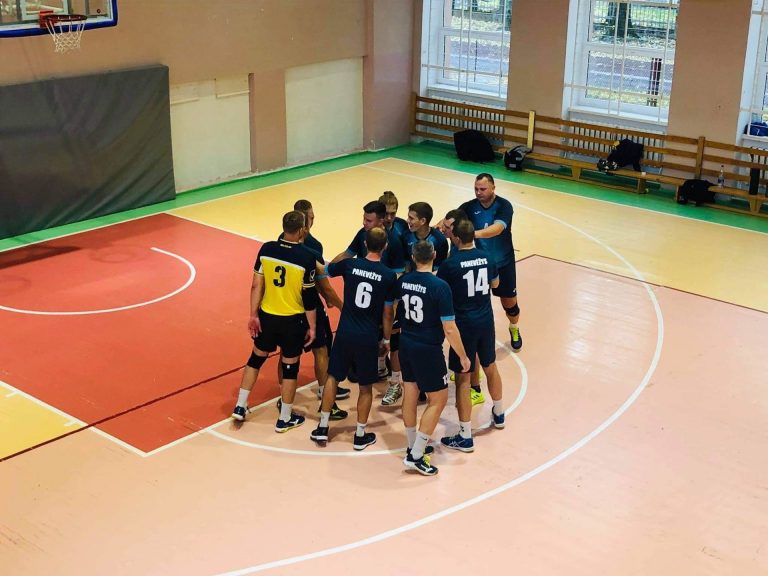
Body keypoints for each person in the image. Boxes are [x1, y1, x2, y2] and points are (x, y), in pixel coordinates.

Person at [310, 228, 397, 450]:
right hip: (368, 336)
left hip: (345, 332)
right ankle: (359, 435)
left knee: (333, 377)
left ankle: (322, 427)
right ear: (385, 246)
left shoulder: (350, 265)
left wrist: (306, 253)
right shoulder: (389, 276)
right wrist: (387, 340)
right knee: (366, 387)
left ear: (365, 244)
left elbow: (323, 269)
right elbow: (388, 313)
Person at [231, 211, 318, 433]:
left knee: (255, 360)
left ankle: (240, 406)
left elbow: (256, 285)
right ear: (302, 230)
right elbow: (309, 298)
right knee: (290, 368)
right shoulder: (306, 258)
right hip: (292, 320)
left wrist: (253, 315)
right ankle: (284, 418)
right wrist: (313, 327)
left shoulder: (267, 249)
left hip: (267, 317)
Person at [397, 240, 470, 476]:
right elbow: (449, 328)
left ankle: (412, 444)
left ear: (413, 257)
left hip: (406, 343)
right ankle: (416, 455)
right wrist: (463, 356)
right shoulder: (440, 286)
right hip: (427, 348)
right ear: (435, 255)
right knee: (438, 399)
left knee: (410, 392)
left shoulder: (404, 281)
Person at [437, 219, 506, 453]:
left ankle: (465, 436)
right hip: (485, 321)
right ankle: (499, 413)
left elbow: (441, 293)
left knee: (463, 377)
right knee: (490, 366)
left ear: (456, 238)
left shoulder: (450, 265)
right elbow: (495, 283)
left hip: (463, 325)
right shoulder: (487, 258)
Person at [279, 200, 349, 421]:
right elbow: (320, 281)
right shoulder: (313, 247)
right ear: (305, 223)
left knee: (286, 352)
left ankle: (283, 398)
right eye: (311, 215)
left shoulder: (279, 241)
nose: (313, 218)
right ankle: (326, 399)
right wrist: (339, 305)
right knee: (321, 350)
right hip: (308, 306)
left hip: (285, 305)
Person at [443, 172, 522, 352]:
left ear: (493, 187)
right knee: (471, 304)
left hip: (502, 262)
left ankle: (514, 327)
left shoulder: (504, 206)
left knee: (510, 304)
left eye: (483, 189)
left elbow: (497, 229)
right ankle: (468, 343)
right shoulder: (469, 207)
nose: (478, 192)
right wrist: (438, 227)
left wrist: (470, 234)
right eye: (476, 189)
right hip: (478, 264)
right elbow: (451, 219)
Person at [443, 208, 486, 406]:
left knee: (471, 348)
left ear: (457, 231)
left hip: (469, 310)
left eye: (448, 227)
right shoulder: (454, 246)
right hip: (467, 308)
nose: (444, 229)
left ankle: (475, 388)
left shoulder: (465, 250)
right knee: (465, 345)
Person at [379, 191, 409, 406]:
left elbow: (404, 264)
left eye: (394, 213)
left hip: (394, 291)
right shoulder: (370, 231)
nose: (390, 218)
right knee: (378, 332)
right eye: (387, 213)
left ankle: (396, 382)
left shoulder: (401, 229)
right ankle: (380, 365)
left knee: (394, 335)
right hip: (376, 290)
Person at [402, 202, 449, 272]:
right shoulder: (406, 236)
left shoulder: (440, 240)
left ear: (423, 221)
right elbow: (406, 262)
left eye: (411, 218)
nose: (407, 220)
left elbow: (439, 268)